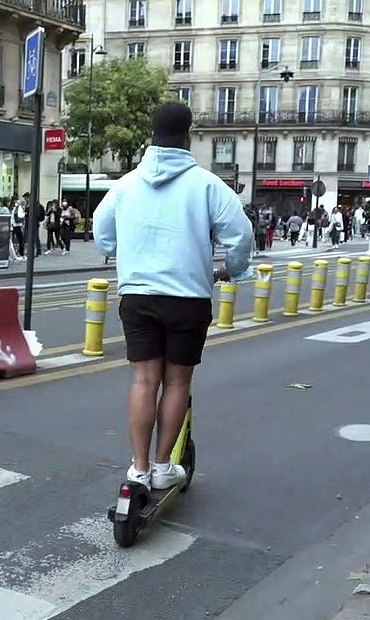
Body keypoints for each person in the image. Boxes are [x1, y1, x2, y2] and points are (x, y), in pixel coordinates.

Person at [93, 102, 253, 491]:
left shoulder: (125, 185)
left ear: (152, 133)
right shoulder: (209, 185)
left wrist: (121, 250)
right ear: (187, 135)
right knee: (177, 383)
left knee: (144, 381)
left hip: (138, 296)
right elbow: (241, 236)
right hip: (188, 297)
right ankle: (164, 466)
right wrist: (232, 268)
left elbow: (102, 234)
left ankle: (139, 467)